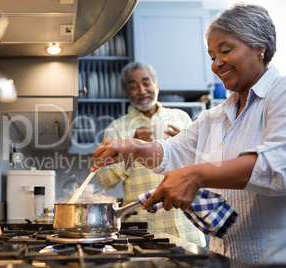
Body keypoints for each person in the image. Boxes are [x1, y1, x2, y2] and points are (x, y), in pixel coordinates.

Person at [92, 3, 286, 265]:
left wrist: (195, 174)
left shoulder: (280, 93)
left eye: (225, 50)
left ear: (260, 46)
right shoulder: (215, 116)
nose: (217, 64)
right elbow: (173, 152)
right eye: (211, 56)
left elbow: (277, 165)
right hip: (221, 258)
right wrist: (135, 146)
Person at [97, 61, 206, 247]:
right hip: (146, 234)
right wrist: (131, 148)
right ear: (126, 92)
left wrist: (187, 146)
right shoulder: (116, 129)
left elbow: (203, 166)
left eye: (146, 83)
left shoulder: (181, 118)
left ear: (156, 84)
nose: (141, 90)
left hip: (189, 227)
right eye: (133, 86)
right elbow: (105, 181)